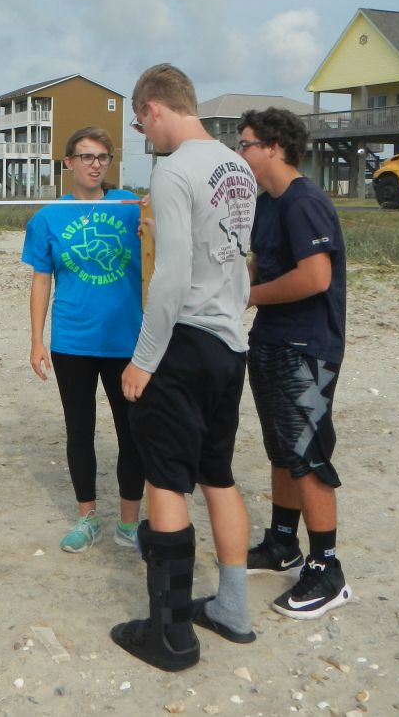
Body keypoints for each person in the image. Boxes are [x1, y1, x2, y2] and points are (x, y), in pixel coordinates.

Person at [111, 63, 258, 672]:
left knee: (166, 479)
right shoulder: (238, 166)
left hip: (184, 342)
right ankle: (233, 608)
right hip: (230, 344)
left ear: (153, 108)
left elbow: (170, 275)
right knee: (217, 474)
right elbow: (237, 258)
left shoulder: (173, 171)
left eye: (141, 122)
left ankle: (170, 635)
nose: (145, 135)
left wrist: (144, 360)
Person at [236, 107, 351, 619]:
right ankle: (283, 541)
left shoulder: (306, 201)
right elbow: (259, 262)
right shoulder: (265, 205)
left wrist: (250, 293)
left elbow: (315, 278)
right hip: (270, 342)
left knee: (308, 455)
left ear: (275, 147)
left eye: (246, 144)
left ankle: (328, 569)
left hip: (307, 347)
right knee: (282, 450)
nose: (241, 153)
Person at [23, 127, 144, 553]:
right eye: (86, 157)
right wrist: (37, 340)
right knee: (80, 430)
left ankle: (129, 523)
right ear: (68, 163)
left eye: (102, 157)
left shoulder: (131, 206)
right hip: (72, 340)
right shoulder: (48, 217)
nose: (95, 164)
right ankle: (87, 516)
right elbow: (41, 281)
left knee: (133, 434)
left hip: (127, 341)